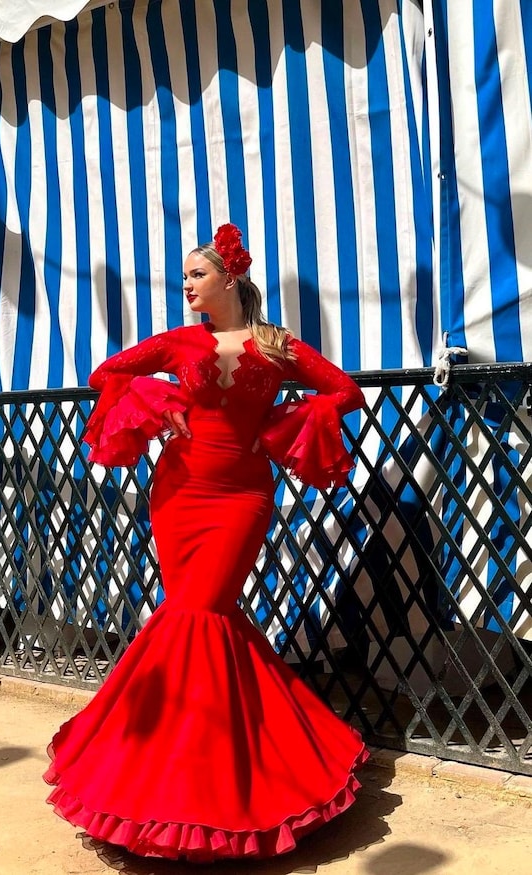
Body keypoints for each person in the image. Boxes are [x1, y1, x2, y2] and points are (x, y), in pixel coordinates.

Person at [44, 224, 369, 861]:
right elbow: (106, 373)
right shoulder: (178, 342)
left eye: (195, 275)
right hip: (180, 492)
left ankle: (221, 784)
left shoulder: (276, 346)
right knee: (202, 621)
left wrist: (280, 425)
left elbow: (345, 392)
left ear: (229, 278)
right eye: (186, 277)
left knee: (200, 615)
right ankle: (189, 779)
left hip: (242, 496)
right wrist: (157, 403)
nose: (186, 285)